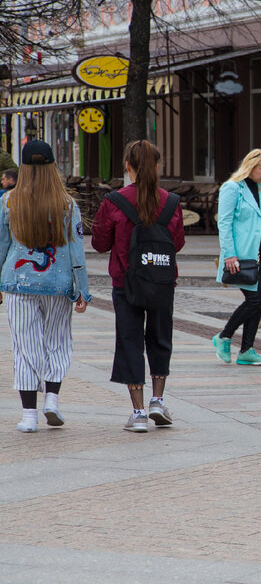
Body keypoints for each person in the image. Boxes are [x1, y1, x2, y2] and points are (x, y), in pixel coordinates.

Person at [91, 140, 185, 432]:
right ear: (157, 167)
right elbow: (178, 242)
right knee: (160, 338)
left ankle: (138, 412)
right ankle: (158, 399)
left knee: (130, 342)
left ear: (128, 167)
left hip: (125, 282)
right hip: (161, 282)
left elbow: (99, 243)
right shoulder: (171, 202)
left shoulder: (114, 201)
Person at [0, 140, 90, 432]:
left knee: (25, 348)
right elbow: (78, 251)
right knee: (58, 342)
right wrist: (82, 290)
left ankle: (29, 416)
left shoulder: (8, 202)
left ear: (23, 169)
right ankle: (52, 399)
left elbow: (1, 246)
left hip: (18, 283)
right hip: (59, 284)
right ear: (53, 166)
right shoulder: (67, 204)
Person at [212, 149, 261, 366]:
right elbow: (224, 223)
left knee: (259, 302)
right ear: (250, 166)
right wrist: (229, 254)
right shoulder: (232, 188)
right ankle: (223, 337)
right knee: (253, 300)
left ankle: (247, 349)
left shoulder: (259, 190)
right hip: (241, 255)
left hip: (260, 254)